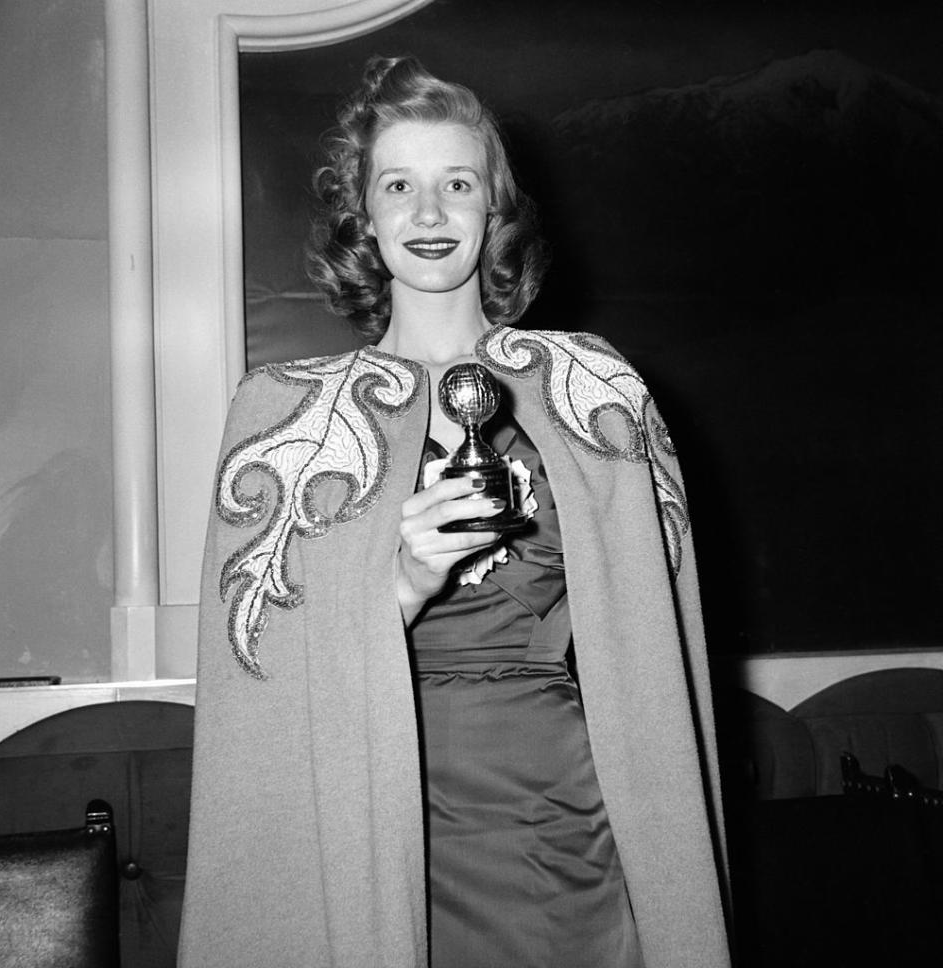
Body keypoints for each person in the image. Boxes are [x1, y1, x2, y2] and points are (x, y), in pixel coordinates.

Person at [178, 57, 730, 968]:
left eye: (457, 185)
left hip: (568, 821)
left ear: (495, 212)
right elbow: (258, 687)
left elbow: (656, 654)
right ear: (364, 214)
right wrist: (394, 586)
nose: (429, 214)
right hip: (369, 809)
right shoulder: (285, 414)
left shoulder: (596, 390)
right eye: (399, 184)